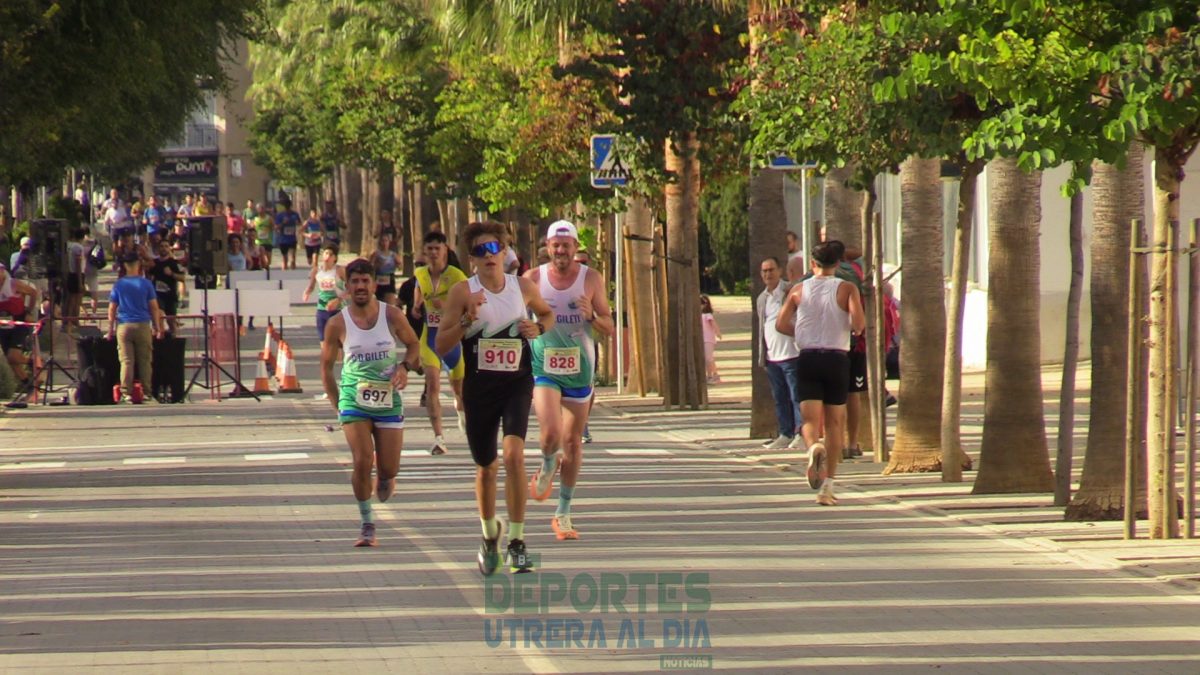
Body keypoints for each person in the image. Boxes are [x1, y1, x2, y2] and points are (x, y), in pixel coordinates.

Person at [435, 221, 555, 576]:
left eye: (493, 249)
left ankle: (517, 542)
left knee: (514, 455)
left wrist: (539, 328)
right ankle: (490, 536)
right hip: (479, 388)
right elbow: (441, 344)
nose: (488, 256)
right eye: (480, 251)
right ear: (471, 259)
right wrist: (466, 321)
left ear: (504, 252)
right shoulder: (462, 292)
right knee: (487, 466)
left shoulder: (522, 287)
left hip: (517, 383)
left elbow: (547, 314)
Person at [320, 258, 420, 547]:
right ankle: (367, 524)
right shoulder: (337, 323)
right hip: (354, 399)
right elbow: (326, 369)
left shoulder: (392, 315)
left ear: (374, 284)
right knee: (362, 460)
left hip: (388, 399)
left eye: (365, 281)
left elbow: (414, 344)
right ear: (348, 286)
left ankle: (386, 477)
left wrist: (404, 367)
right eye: (355, 282)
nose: (361, 286)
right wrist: (338, 405)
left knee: (388, 469)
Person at [525, 220, 613, 541]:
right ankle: (548, 463)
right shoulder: (532, 279)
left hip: (580, 369)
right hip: (544, 367)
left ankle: (563, 513)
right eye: (556, 245)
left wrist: (591, 316)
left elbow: (609, 326)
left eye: (567, 245)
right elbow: (513, 318)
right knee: (551, 434)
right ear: (547, 247)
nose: (561, 250)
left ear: (575, 248)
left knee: (573, 442)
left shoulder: (591, 279)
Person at [774, 241, 866, 506]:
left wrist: (802, 333)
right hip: (836, 359)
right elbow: (858, 325)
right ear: (837, 263)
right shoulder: (847, 288)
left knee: (810, 420)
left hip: (808, 357)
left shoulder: (798, 289)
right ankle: (827, 486)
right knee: (835, 423)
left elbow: (780, 324)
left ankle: (814, 446)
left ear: (812, 264)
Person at [413, 231, 468, 455]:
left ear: (446, 249)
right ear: (425, 252)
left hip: (454, 340)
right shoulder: (420, 273)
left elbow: (470, 305)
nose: (434, 253)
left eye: (438, 248)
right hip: (430, 338)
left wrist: (446, 306)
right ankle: (439, 438)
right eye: (430, 249)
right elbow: (418, 290)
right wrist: (416, 305)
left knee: (459, 390)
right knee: (432, 384)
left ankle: (461, 412)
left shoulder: (457, 275)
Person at [756, 257, 804, 450]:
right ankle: (785, 433)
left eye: (771, 270)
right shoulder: (762, 298)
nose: (768, 274)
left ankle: (801, 433)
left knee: (796, 396)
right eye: (765, 271)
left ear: (780, 271)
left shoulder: (790, 290)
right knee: (780, 398)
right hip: (772, 357)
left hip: (792, 353)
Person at [107, 252, 166, 403]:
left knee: (126, 361)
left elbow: (112, 308)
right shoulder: (146, 284)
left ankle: (126, 393)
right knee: (145, 361)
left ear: (125, 266)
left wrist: (110, 329)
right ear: (138, 265)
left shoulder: (119, 284)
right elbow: (154, 307)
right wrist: (157, 327)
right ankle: (147, 392)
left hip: (124, 325)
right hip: (142, 325)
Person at [0, 262, 39, 382]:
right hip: (3, 326)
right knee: (11, 361)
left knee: (13, 356)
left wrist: (28, 310)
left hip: (19, 322)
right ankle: (29, 385)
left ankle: (34, 363)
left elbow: (33, 292)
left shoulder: (13, 284)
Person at [303, 245, 346, 343]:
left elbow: (350, 289)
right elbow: (311, 286)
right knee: (323, 341)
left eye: (331, 255)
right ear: (322, 255)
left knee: (337, 342)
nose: (328, 257)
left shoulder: (340, 270)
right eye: (326, 253)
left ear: (335, 258)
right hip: (322, 309)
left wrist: (338, 300)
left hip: (337, 310)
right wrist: (307, 292)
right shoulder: (316, 270)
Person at [149, 241, 183, 335]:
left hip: (170, 296)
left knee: (171, 323)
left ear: (169, 248)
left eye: (166, 246)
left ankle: (173, 340)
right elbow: (148, 276)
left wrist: (171, 274)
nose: (163, 248)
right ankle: (159, 338)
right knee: (158, 320)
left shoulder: (174, 263)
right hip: (157, 296)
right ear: (158, 249)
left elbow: (182, 278)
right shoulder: (154, 263)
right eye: (161, 246)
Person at [63, 227, 87, 335]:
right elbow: (78, 264)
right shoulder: (78, 247)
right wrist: (80, 282)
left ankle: (69, 321)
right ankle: (73, 321)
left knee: (70, 299)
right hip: (77, 274)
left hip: (70, 273)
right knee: (76, 300)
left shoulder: (68, 246)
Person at [370, 233, 399, 306]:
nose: (384, 243)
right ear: (379, 242)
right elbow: (370, 267)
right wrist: (376, 265)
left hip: (390, 278)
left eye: (386, 241)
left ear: (389, 242)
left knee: (390, 304)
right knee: (380, 303)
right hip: (379, 279)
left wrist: (396, 264)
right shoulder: (376, 254)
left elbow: (399, 265)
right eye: (382, 241)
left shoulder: (393, 254)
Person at [273, 198, 300, 270]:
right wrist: (283, 223)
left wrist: (297, 223)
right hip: (283, 240)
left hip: (292, 239)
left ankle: (293, 272)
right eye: (286, 206)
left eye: (288, 206)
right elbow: (276, 227)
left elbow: (299, 223)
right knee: (285, 259)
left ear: (290, 206)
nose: (287, 208)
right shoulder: (280, 215)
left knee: (293, 258)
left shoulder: (295, 214)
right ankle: (284, 273)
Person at [701, 294, 722, 383]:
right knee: (709, 358)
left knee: (708, 358)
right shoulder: (699, 315)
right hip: (702, 339)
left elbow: (713, 324)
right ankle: (715, 374)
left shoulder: (707, 315)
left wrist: (718, 333)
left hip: (708, 339)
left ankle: (710, 376)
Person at [253, 203, 274, 269]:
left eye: (262, 208)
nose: (260, 210)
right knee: (262, 260)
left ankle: (267, 271)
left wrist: (267, 230)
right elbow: (253, 229)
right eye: (259, 209)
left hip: (267, 241)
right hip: (259, 242)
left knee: (268, 261)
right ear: (257, 210)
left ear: (264, 209)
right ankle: (262, 271)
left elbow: (273, 227)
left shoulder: (269, 218)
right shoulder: (255, 219)